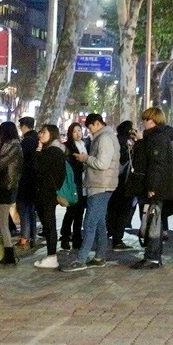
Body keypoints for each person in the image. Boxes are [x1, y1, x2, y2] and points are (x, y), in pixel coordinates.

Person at [60, 114, 120, 272]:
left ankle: (81, 260)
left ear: (97, 123)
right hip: (101, 185)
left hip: (101, 185)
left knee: (89, 224)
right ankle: (100, 257)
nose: (89, 131)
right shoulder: (105, 137)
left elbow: (102, 163)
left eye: (90, 127)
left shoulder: (104, 138)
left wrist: (85, 158)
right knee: (99, 223)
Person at [129, 107, 173, 269]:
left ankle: (153, 257)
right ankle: (152, 255)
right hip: (153, 186)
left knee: (153, 221)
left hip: (155, 188)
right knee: (151, 220)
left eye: (146, 119)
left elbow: (156, 164)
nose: (143, 122)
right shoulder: (155, 137)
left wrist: (152, 186)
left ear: (153, 120)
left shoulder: (158, 138)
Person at [0, 121, 23, 265]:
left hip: (6, 186)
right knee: (1, 221)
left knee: (2, 222)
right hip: (1, 187)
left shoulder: (13, 146)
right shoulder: (7, 146)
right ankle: (8, 253)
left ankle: (9, 255)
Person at [33, 124, 66, 268]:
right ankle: (51, 256)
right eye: (40, 132)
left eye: (44, 132)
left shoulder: (52, 151)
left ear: (52, 134)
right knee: (48, 225)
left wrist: (38, 150)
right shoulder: (54, 150)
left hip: (47, 193)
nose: (40, 134)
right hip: (46, 192)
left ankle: (52, 257)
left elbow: (37, 168)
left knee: (49, 225)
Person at [108, 120, 136, 251]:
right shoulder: (129, 143)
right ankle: (117, 239)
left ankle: (111, 232)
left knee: (112, 208)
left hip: (113, 180)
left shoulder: (114, 140)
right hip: (126, 181)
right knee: (124, 210)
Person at [61, 122, 89, 250]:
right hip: (74, 182)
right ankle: (65, 236)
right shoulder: (68, 147)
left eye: (79, 130)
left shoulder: (86, 144)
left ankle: (77, 237)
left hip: (85, 183)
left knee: (80, 212)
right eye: (74, 131)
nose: (78, 133)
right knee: (71, 211)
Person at [16, 117, 39, 249]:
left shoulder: (27, 141)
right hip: (34, 179)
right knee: (30, 209)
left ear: (24, 126)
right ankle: (32, 236)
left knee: (24, 208)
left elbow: (20, 159)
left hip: (25, 179)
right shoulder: (37, 139)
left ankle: (24, 237)